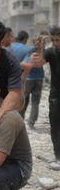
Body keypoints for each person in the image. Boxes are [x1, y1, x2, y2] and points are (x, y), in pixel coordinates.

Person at [30, 26, 60, 163]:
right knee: (55, 125)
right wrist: (39, 48)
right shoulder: (50, 52)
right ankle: (57, 155)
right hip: (55, 95)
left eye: (58, 40)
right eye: (53, 40)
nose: (56, 43)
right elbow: (38, 63)